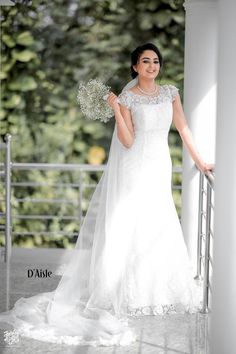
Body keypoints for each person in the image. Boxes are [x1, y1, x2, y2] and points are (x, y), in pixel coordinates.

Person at [0, 43, 214, 347]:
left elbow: (184, 130)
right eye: (145, 61)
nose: (152, 66)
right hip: (134, 167)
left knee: (159, 221)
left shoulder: (170, 93)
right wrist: (116, 107)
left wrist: (201, 162)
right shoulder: (127, 97)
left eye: (156, 61)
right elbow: (127, 140)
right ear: (135, 67)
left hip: (159, 167)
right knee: (133, 224)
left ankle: (159, 287)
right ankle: (128, 290)